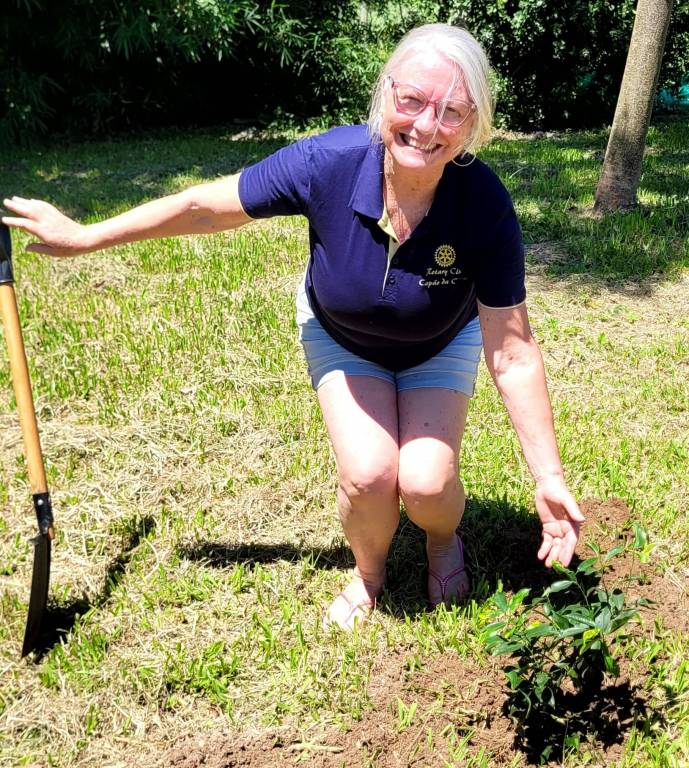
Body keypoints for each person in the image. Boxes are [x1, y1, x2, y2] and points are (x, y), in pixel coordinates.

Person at [2, 23, 584, 632]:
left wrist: (548, 478)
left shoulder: (484, 203)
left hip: (439, 342)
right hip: (343, 336)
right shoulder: (327, 162)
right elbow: (205, 206)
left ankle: (442, 541)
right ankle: (369, 572)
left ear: (473, 124)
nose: (426, 125)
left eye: (451, 111)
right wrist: (86, 236)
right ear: (385, 93)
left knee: (428, 484)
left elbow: (513, 353)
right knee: (369, 475)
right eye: (412, 100)